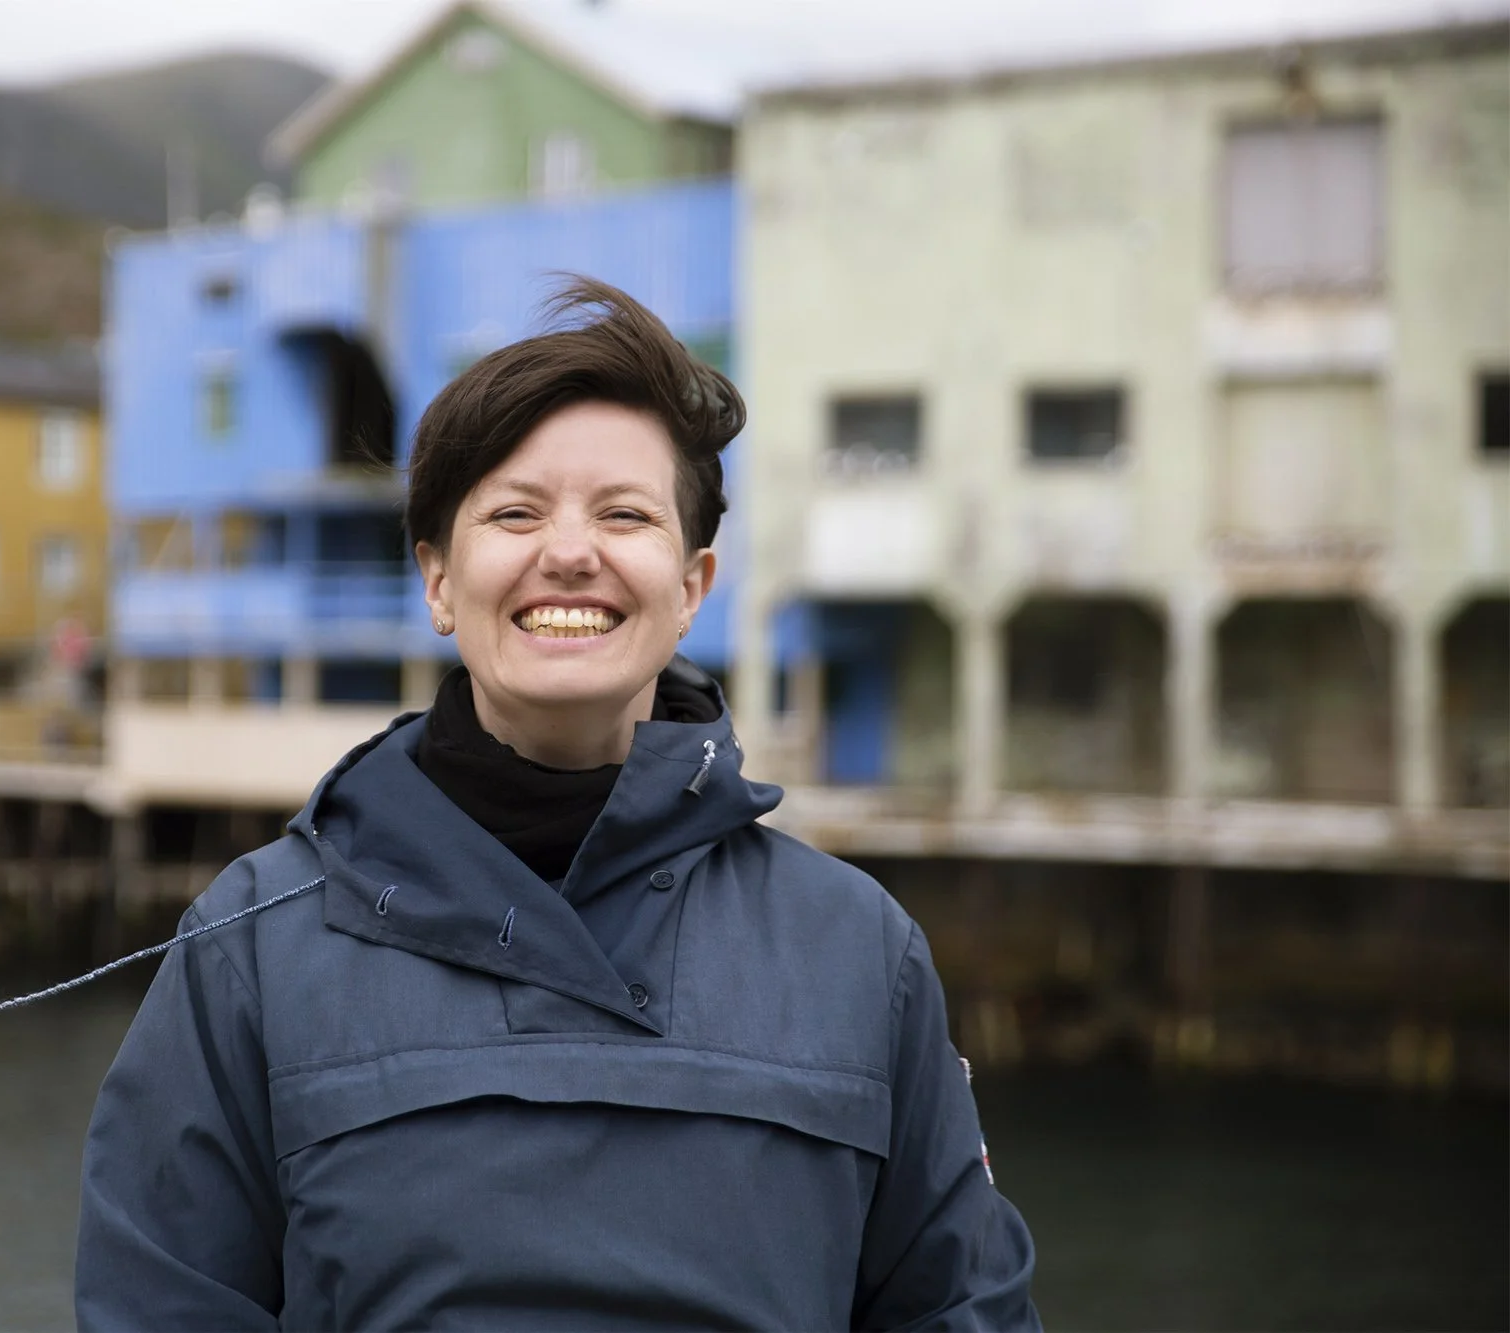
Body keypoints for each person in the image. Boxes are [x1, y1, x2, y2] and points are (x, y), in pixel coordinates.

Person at [75, 279, 1039, 1330]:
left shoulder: (859, 951)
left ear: (692, 586)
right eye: (514, 512)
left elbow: (962, 1309)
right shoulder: (251, 948)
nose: (569, 551)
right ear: (438, 581)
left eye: (624, 514)